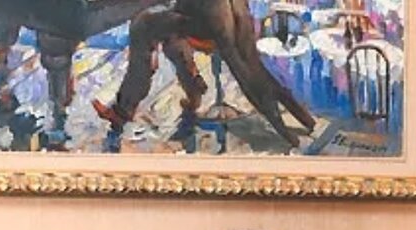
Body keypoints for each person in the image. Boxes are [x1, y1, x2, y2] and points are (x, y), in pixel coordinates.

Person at [92, 0, 315, 148]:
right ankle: (304, 121)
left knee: (142, 25)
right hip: (236, 11)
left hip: (206, 18)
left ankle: (125, 109)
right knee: (252, 67)